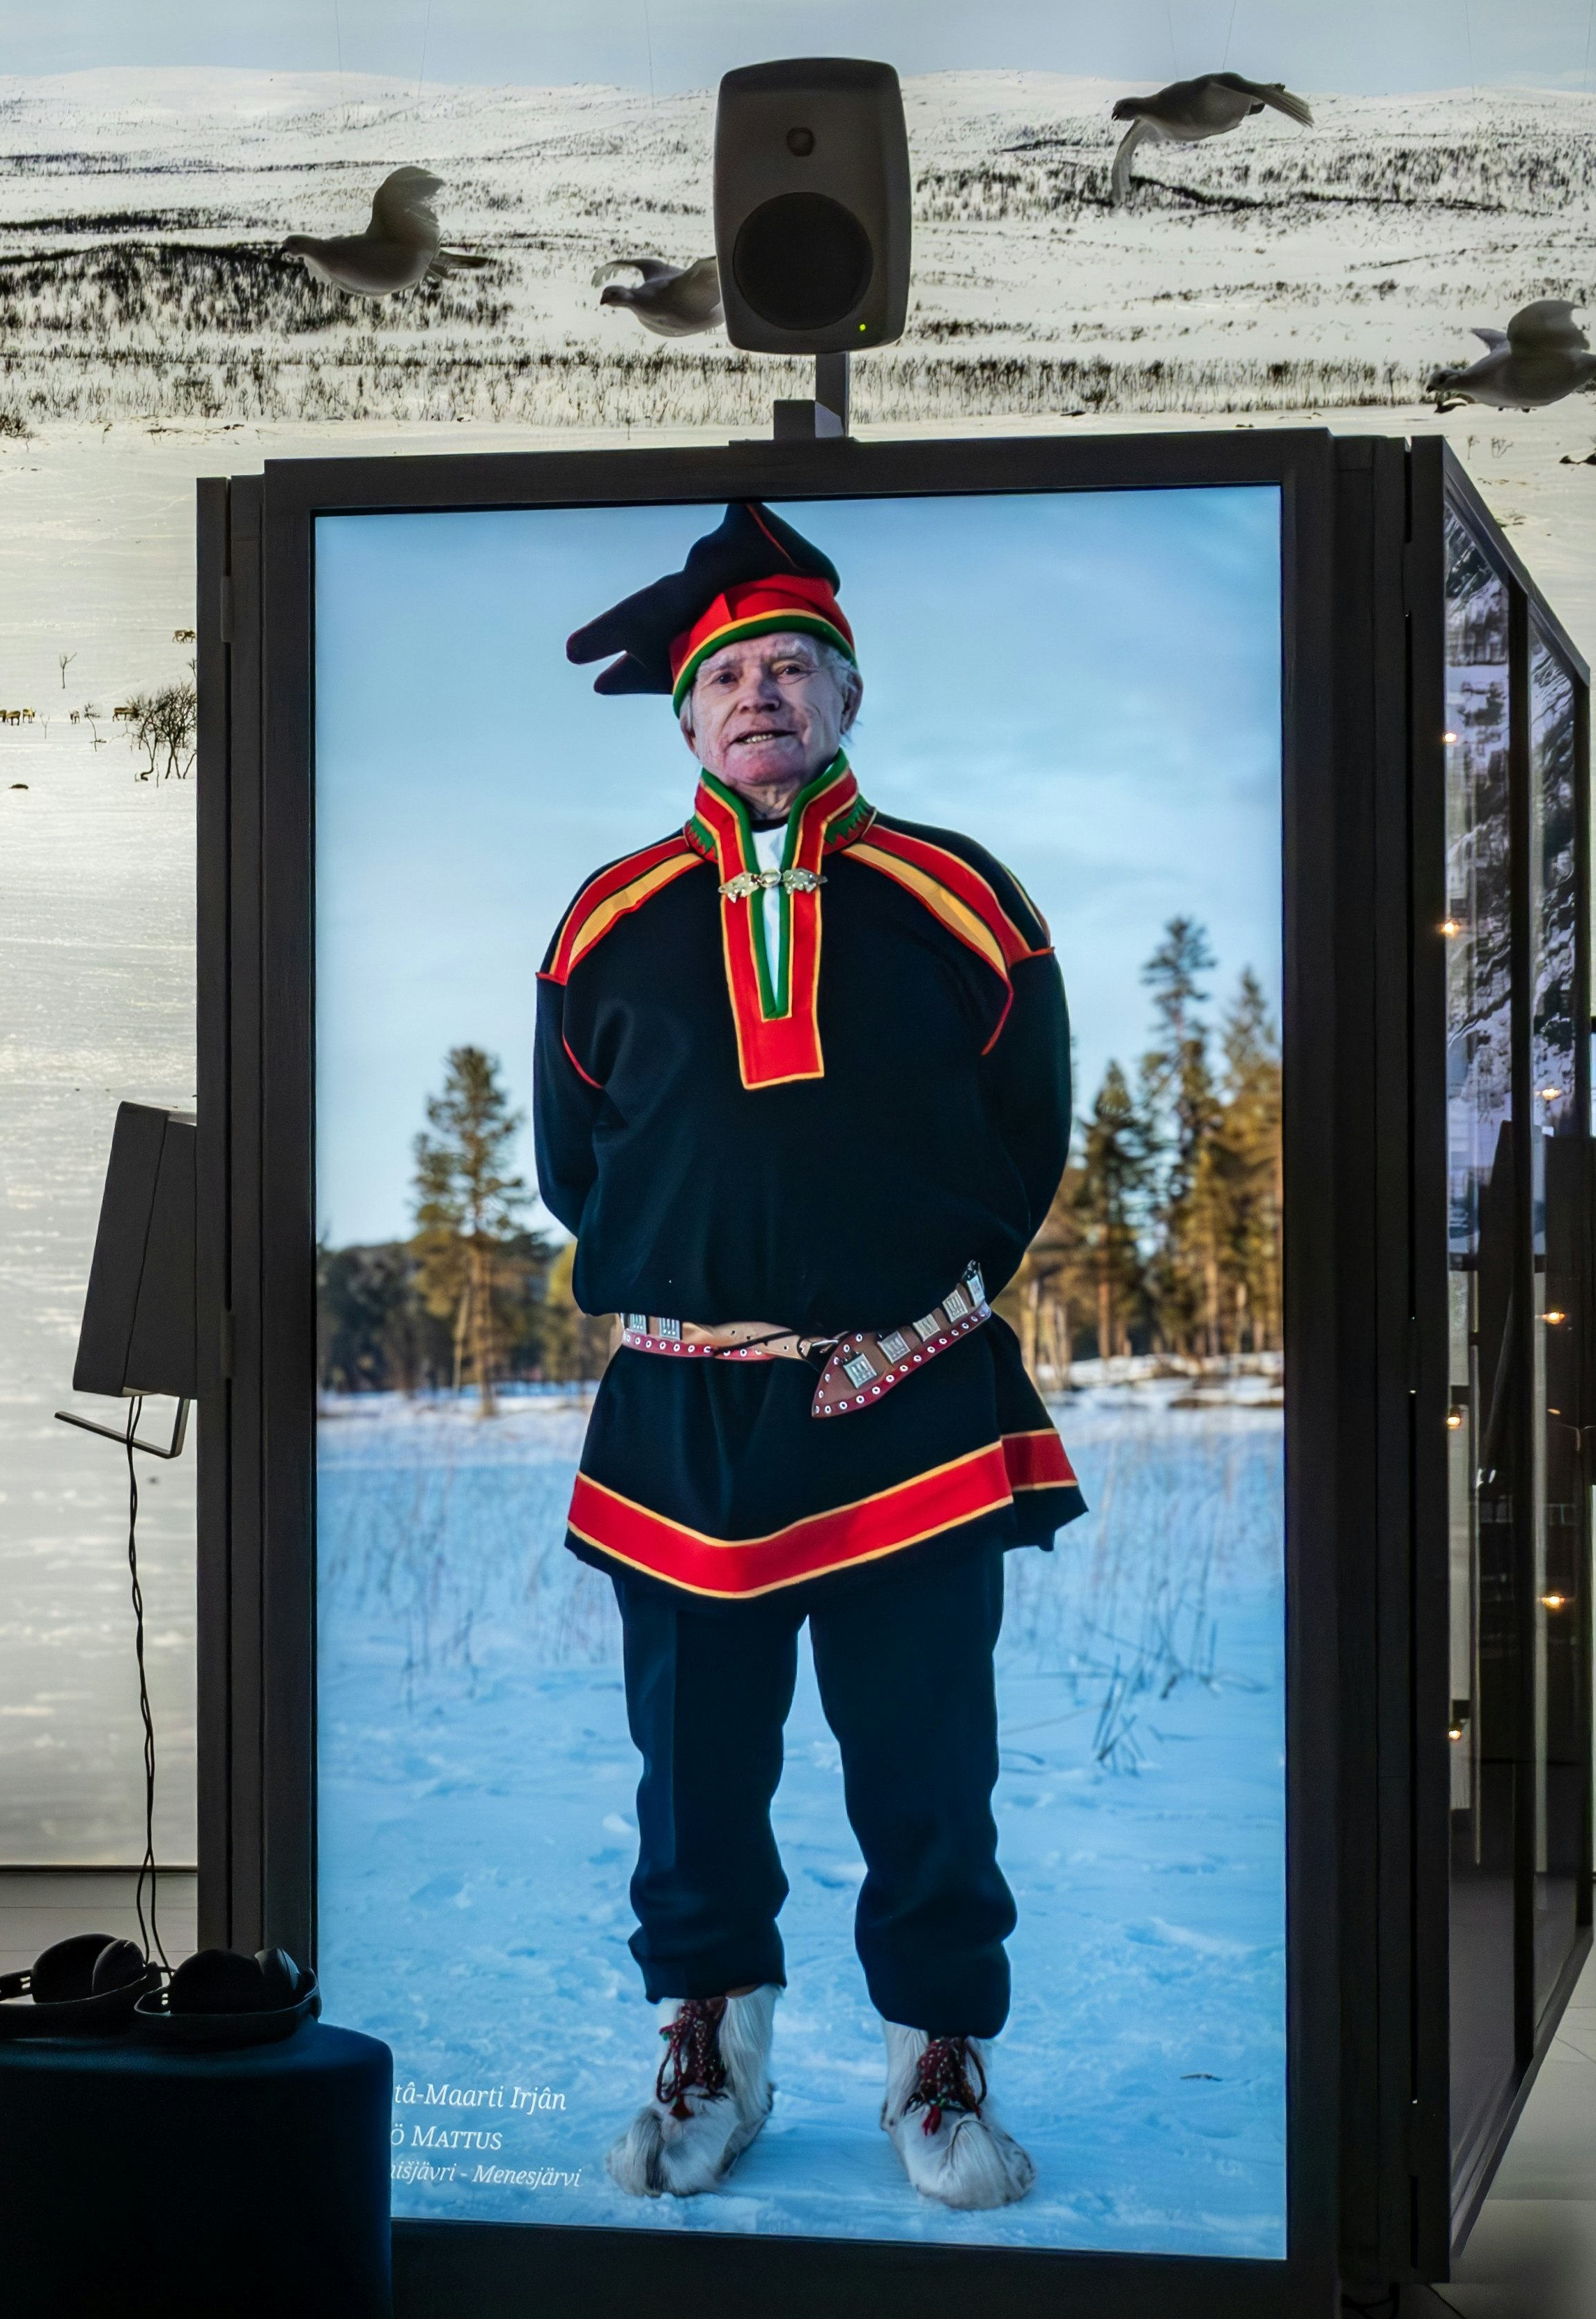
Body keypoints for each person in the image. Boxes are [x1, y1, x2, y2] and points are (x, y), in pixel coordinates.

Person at [538, 500, 1076, 2211]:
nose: (761, 696)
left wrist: (910, 1296)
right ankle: (712, 2043)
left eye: (793, 669)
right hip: (685, 1416)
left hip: (910, 1402)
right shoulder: (605, 920)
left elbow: (1027, 1134)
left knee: (928, 1765)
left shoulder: (962, 896)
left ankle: (937, 2060)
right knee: (694, 1772)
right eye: (729, 678)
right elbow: (580, 1160)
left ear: (847, 702)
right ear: (688, 719)